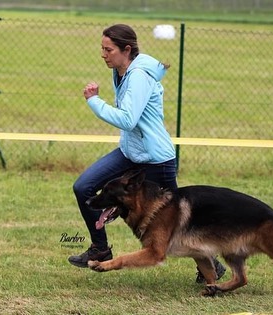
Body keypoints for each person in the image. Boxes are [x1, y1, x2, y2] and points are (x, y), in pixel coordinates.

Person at [68, 24, 224, 283]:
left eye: (109, 50)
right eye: (102, 49)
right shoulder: (121, 71)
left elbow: (128, 119)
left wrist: (94, 101)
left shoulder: (139, 75)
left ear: (126, 50)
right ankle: (100, 248)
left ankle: (211, 266)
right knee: (83, 186)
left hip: (156, 160)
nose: (103, 54)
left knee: (177, 223)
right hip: (130, 154)